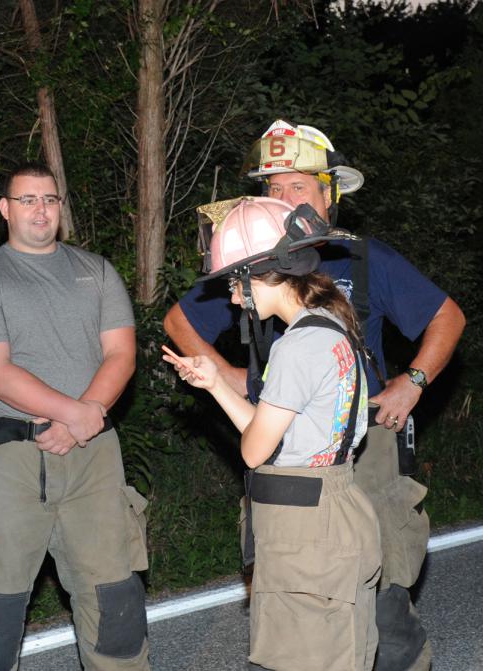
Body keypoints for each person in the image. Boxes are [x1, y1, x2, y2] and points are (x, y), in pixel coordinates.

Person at [164, 120, 465, 670]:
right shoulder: (253, 260)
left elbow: (447, 315)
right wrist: (231, 376)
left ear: (330, 194)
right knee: (291, 601)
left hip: (362, 447)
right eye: (272, 189)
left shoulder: (363, 260)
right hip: (280, 449)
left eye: (297, 187)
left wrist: (413, 381)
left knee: (384, 601)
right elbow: (180, 320)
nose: (282, 199)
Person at [0, 163, 150, 671]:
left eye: (50, 199)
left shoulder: (95, 271)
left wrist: (88, 417)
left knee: (115, 599)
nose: (41, 209)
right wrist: (75, 413)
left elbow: (121, 354)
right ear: (6, 210)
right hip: (8, 459)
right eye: (28, 200)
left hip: (93, 456)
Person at [164, 196, 381, 671]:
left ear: (260, 274)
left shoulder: (297, 346)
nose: (233, 299)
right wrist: (216, 383)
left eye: (234, 285)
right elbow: (277, 438)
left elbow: (254, 449)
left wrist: (234, 406)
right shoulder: (333, 326)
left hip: (305, 529)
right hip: (332, 510)